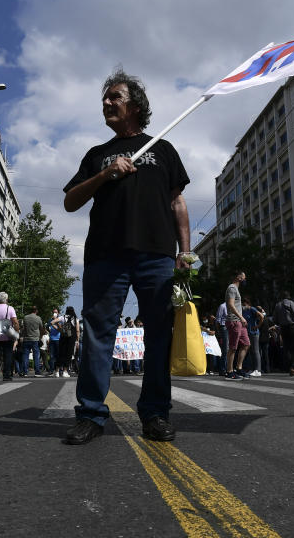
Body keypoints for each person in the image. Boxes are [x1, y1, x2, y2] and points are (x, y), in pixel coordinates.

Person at [62, 69, 191, 445]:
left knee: (158, 336)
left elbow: (177, 202)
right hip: (105, 256)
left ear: (134, 105)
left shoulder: (162, 149)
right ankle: (90, 414)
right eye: (105, 98)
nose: (106, 103)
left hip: (157, 256)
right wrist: (105, 175)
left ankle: (154, 413)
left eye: (114, 97)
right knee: (99, 336)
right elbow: (70, 201)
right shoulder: (96, 155)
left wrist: (186, 251)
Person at [223, 272, 250, 380]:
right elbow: (230, 304)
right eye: (244, 277)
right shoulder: (232, 288)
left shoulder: (236, 289)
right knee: (233, 347)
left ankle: (239, 368)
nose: (245, 279)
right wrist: (241, 317)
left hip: (239, 322)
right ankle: (229, 372)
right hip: (234, 321)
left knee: (246, 344)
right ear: (239, 277)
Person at [274, 292, 294, 376]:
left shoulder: (277, 305)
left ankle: (290, 368)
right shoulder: (290, 303)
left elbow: (275, 319)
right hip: (292, 326)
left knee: (287, 348)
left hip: (283, 328)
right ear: (288, 296)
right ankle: (293, 367)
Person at [242, 298, 265, 377]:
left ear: (248, 303)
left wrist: (257, 326)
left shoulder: (252, 309)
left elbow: (262, 316)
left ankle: (258, 370)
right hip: (248, 333)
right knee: (251, 352)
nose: (243, 306)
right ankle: (252, 369)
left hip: (254, 333)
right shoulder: (244, 311)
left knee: (255, 351)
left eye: (244, 304)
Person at [21, 305, 44, 377]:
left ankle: (25, 372)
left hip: (26, 339)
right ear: (36, 311)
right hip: (35, 339)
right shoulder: (38, 318)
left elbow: (23, 328)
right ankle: (37, 372)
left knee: (25, 356)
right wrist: (40, 337)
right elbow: (41, 328)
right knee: (36, 356)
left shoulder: (25, 318)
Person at [57, 306, 80, 377]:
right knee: (69, 355)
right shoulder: (76, 319)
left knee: (61, 354)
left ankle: (57, 371)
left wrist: (60, 329)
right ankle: (65, 371)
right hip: (71, 339)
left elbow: (52, 322)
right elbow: (77, 330)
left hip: (63, 338)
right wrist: (77, 340)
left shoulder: (62, 317)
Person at [47, 308, 63, 374]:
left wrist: (55, 321)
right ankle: (51, 370)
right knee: (51, 356)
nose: (55, 314)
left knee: (58, 355)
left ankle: (60, 370)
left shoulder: (60, 320)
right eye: (54, 312)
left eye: (56, 312)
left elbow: (60, 329)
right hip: (52, 340)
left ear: (58, 313)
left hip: (58, 339)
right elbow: (47, 327)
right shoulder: (50, 320)